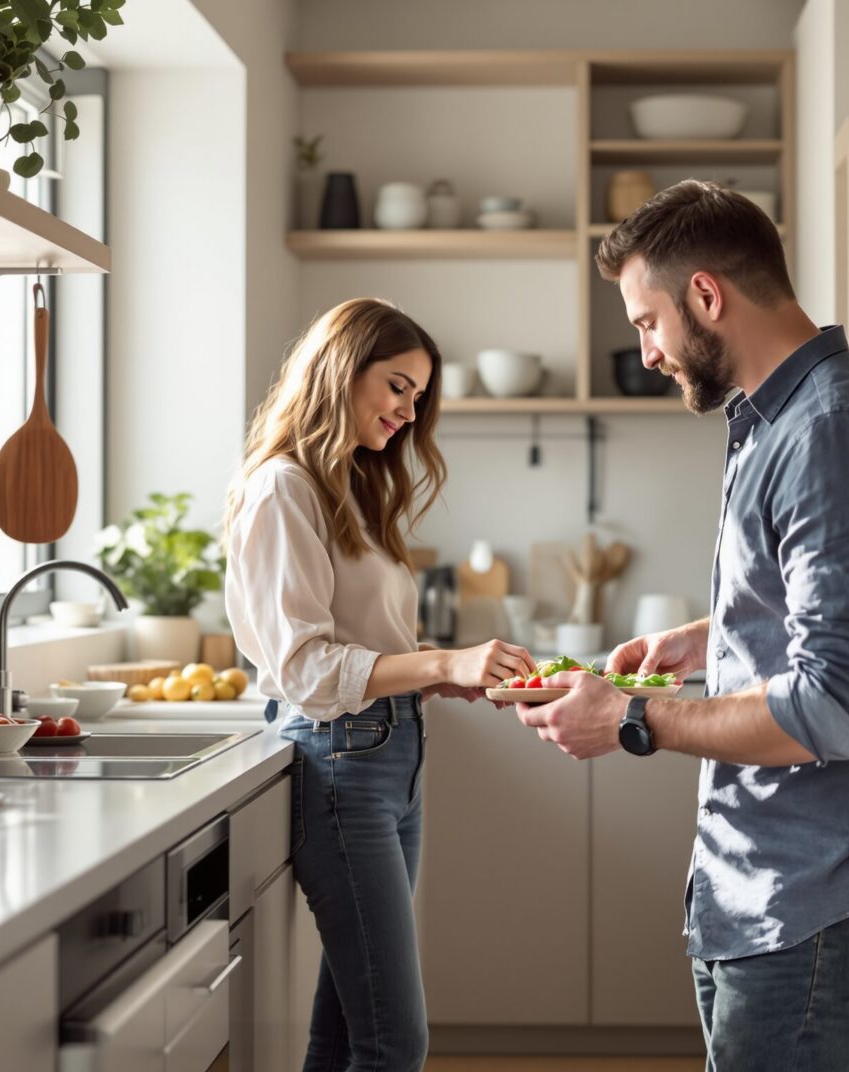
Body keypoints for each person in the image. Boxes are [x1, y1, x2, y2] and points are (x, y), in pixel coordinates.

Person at [514, 180, 849, 1071]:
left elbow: (834, 706)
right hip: (758, 887)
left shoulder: (837, 429)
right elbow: (814, 612)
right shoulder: (773, 419)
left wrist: (630, 718)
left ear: (707, 296)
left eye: (648, 321)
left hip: (814, 901)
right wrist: (700, 643)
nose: (645, 351)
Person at [225, 297, 536, 1072]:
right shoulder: (281, 489)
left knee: (344, 1035)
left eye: (419, 396)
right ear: (342, 368)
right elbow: (303, 669)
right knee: (395, 1041)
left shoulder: (351, 490)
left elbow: (361, 643)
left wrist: (439, 675)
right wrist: (440, 663)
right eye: (398, 386)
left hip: (391, 756)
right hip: (341, 766)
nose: (408, 410)